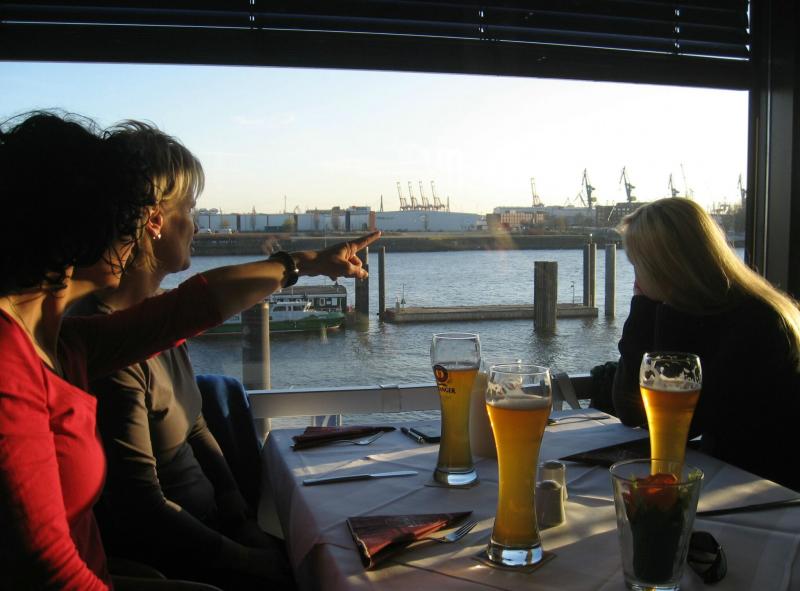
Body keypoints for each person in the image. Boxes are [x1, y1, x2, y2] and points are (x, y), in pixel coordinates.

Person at [0, 110, 380, 590]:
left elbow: (190, 307)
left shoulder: (65, 345)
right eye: (122, 211)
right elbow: (46, 571)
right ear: (75, 223)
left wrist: (304, 263)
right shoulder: (11, 368)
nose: (135, 227)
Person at [73, 121, 288, 589]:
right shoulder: (108, 347)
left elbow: (194, 423)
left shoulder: (158, 321)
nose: (195, 224)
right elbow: (142, 511)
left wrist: (238, 514)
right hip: (179, 559)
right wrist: (249, 561)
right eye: (189, 209)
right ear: (154, 221)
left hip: (217, 530)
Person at [612, 197, 800, 491]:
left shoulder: (756, 323)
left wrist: (646, 308)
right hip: (732, 476)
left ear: (662, 267)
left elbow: (680, 424)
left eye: (637, 265)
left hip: (764, 489)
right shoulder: (716, 310)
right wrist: (645, 308)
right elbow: (630, 407)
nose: (635, 278)